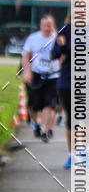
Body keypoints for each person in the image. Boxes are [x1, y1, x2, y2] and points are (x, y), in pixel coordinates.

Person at [22, 14, 60, 143]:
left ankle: (45, 130)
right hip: (36, 75)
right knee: (34, 106)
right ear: (40, 26)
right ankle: (36, 123)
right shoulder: (33, 38)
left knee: (49, 104)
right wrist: (27, 72)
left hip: (53, 76)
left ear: (53, 25)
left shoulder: (58, 39)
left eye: (49, 25)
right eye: (44, 25)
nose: (47, 28)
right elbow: (26, 56)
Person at [51, 15, 72, 168]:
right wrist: (61, 45)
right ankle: (72, 155)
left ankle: (84, 151)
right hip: (67, 81)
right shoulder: (65, 30)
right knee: (71, 119)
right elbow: (54, 54)